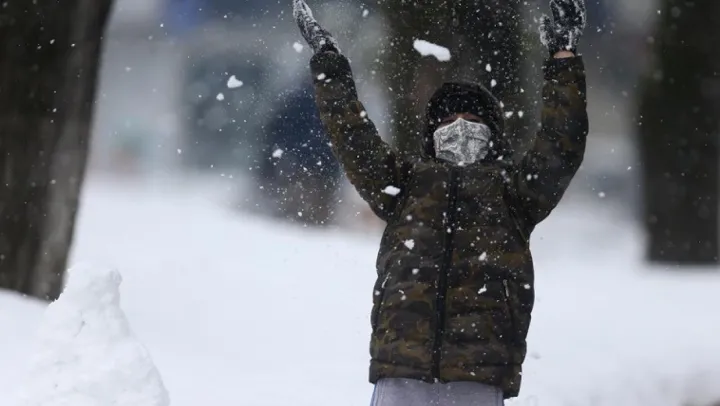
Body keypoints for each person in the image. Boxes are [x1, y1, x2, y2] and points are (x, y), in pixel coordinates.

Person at [293, 0, 588, 404]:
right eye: (448, 121)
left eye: (474, 120)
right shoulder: (404, 185)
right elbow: (353, 138)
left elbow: (561, 144)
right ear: (431, 134)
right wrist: (330, 67)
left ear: (494, 134)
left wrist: (563, 58)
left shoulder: (514, 194)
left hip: (479, 371)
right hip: (402, 369)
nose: (460, 127)